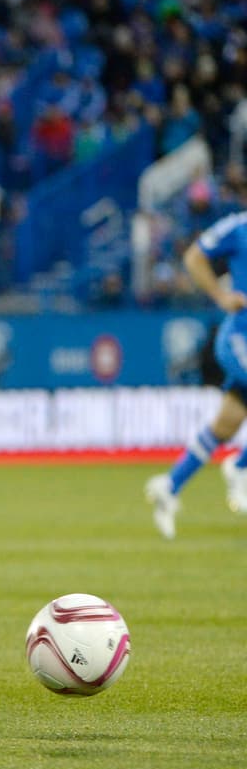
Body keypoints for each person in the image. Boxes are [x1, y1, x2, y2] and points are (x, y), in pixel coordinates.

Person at [147, 208, 247, 539]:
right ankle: (240, 466)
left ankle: (169, 486)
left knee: (227, 423)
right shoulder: (237, 227)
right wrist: (221, 296)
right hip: (239, 339)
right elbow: (194, 257)